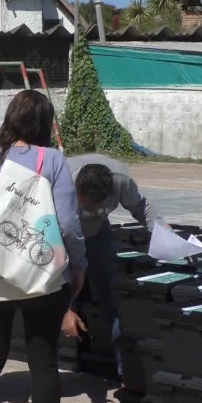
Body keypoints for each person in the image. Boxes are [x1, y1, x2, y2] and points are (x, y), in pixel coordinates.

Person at [0, 90, 88, 403]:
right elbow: (68, 224)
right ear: (44, 124)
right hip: (40, 278)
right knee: (43, 362)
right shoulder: (53, 160)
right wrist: (78, 265)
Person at [61, 154, 164, 384]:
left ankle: (125, 371)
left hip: (97, 234)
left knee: (111, 295)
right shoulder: (61, 183)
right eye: (86, 205)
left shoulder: (120, 180)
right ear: (78, 193)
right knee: (60, 294)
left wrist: (165, 234)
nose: (91, 209)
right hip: (61, 237)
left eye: (99, 206)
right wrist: (64, 307)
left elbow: (141, 207)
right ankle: (63, 361)